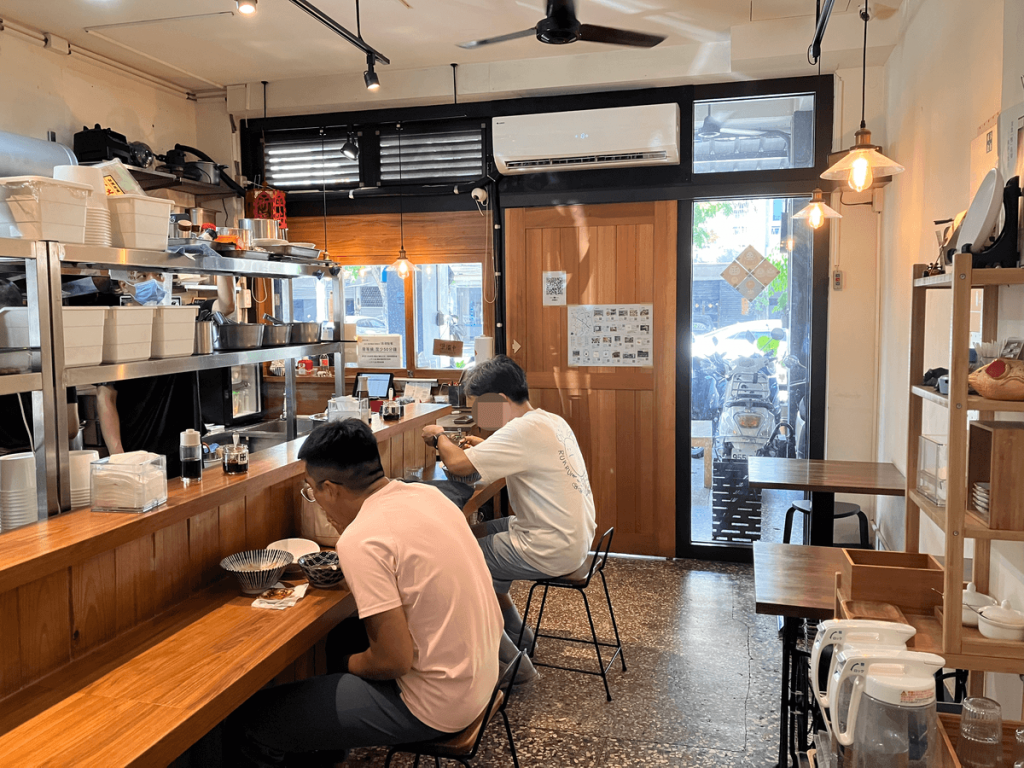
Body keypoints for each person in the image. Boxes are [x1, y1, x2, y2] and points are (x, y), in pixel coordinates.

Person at [237, 419, 502, 764]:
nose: (315, 499)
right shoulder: (428, 495)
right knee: (341, 641)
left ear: (330, 489)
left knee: (252, 720)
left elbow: (393, 660)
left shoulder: (361, 539)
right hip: (484, 673)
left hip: (440, 705)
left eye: (311, 490)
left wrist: (346, 665)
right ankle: (329, 749)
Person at [421, 355, 596, 667]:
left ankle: (512, 663)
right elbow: (507, 455)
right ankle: (520, 635)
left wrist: (439, 437)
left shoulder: (521, 431)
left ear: (499, 400)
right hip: (574, 536)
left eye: (478, 406)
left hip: (551, 547)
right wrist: (484, 446)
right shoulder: (547, 420)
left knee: (462, 562)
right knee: (476, 533)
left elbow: (459, 465)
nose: (477, 414)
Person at [95, 275, 234, 478]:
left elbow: (226, 305)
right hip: (139, 452)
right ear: (124, 284)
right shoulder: (114, 328)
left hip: (186, 450)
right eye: (143, 276)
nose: (153, 282)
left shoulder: (183, 318)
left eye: (159, 275)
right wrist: (120, 457)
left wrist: (222, 260)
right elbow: (105, 396)